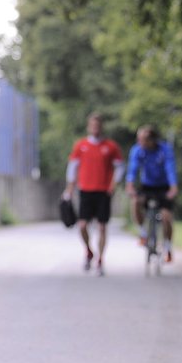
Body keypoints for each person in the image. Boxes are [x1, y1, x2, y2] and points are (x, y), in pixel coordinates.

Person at [64, 113, 124, 276]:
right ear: (88, 127)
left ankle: (101, 259)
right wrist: (70, 187)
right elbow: (72, 167)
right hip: (85, 190)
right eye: (92, 125)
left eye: (98, 125)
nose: (95, 128)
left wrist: (114, 184)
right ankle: (89, 251)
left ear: (101, 127)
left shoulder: (110, 146)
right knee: (82, 225)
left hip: (103, 191)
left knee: (102, 226)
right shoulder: (81, 145)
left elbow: (119, 166)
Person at [125, 125, 179, 262]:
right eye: (139, 139)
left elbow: (170, 168)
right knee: (136, 202)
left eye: (143, 140)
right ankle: (143, 233)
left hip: (164, 186)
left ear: (152, 140)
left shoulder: (165, 150)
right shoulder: (137, 150)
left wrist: (173, 187)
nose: (140, 142)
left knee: (166, 217)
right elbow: (133, 169)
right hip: (147, 186)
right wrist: (130, 185)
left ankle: (167, 246)